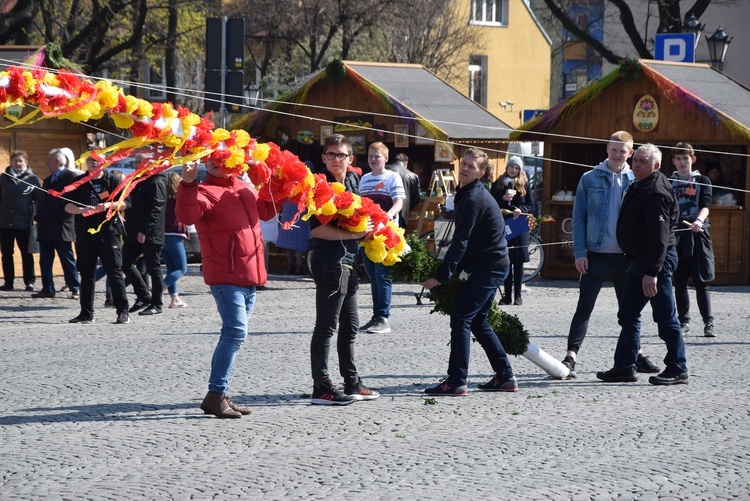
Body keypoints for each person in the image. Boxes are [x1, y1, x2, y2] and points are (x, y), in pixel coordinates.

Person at [176, 159, 277, 418]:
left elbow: (267, 211)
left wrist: (273, 181)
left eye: (223, 158)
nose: (218, 164)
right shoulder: (203, 190)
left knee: (235, 334)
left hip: (250, 275)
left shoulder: (244, 186)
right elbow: (186, 216)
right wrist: (188, 184)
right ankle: (215, 395)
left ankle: (219, 394)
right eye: (212, 160)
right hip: (226, 275)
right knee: (235, 333)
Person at [559, 131, 658, 377]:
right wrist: (579, 252)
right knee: (584, 307)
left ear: (630, 152)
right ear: (606, 148)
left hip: (626, 257)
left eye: (622, 151)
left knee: (629, 311)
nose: (617, 155)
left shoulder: (636, 180)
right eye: (613, 150)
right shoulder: (589, 178)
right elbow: (579, 217)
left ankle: (637, 354)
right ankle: (571, 355)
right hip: (595, 255)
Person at [419, 148, 517, 396]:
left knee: (461, 318)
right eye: (463, 163)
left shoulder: (474, 197)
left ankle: (456, 381)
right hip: (489, 264)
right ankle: (505, 376)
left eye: (471, 167)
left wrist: (441, 277)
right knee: (477, 321)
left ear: (481, 173)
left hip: (491, 266)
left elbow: (460, 241)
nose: (464, 168)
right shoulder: (466, 193)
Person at [597, 144, 688, 386]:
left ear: (655, 166)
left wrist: (652, 272)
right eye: (635, 160)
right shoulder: (642, 184)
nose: (636, 164)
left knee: (665, 317)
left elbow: (659, 237)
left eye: (642, 162)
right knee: (627, 314)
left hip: (655, 262)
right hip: (640, 261)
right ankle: (624, 367)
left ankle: (678, 367)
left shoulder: (655, 191)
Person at [309, 134, 379, 405]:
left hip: (349, 260)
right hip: (329, 262)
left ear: (351, 159)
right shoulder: (319, 185)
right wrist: (355, 236)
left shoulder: (352, 180)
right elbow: (316, 229)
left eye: (342, 155)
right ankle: (321, 387)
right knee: (326, 326)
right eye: (332, 155)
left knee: (350, 326)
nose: (337, 160)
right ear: (324, 158)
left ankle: (351, 381)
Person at [65, 156, 131, 324]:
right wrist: (82, 209)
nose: (94, 163)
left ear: (105, 162)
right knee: (87, 275)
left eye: (98, 160)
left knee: (114, 271)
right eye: (91, 160)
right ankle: (86, 313)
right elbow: (67, 205)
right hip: (85, 234)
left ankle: (122, 311)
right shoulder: (79, 181)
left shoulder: (113, 180)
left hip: (108, 233)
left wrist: (108, 206)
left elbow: (126, 203)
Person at [357, 142, 405, 334]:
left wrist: (388, 215)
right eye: (370, 155)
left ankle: (383, 317)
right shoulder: (364, 179)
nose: (373, 159)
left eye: (377, 156)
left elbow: (399, 201)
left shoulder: (393, 177)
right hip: (368, 233)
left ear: (386, 158)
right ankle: (376, 316)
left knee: (382, 275)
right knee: (372, 276)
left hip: (386, 233)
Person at [669, 142, 715, 337]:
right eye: (678, 159)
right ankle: (684, 322)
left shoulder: (702, 180)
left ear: (692, 159)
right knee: (679, 282)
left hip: (697, 234)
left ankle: (708, 323)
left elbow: (706, 204)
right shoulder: (668, 182)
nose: (681, 162)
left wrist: (698, 220)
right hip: (677, 236)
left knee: (701, 281)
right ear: (673, 161)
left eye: (685, 158)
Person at [122, 155, 168, 316]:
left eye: (139, 162)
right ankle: (143, 295)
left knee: (153, 268)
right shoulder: (139, 180)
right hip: (132, 231)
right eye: (135, 162)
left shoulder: (157, 181)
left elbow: (156, 208)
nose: (136, 165)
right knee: (125, 263)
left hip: (149, 233)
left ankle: (157, 304)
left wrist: (145, 230)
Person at [32, 149, 80, 299]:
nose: (46, 163)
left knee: (67, 259)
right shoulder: (48, 180)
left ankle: (75, 287)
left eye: (48, 160)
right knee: (45, 260)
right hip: (45, 227)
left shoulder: (71, 177)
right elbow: (43, 201)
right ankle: (48, 288)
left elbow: (72, 202)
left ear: (57, 162)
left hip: (61, 227)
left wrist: (60, 217)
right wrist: (38, 216)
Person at [490, 155, 535, 305]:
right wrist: (502, 198)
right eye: (511, 167)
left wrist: (520, 209)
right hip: (504, 224)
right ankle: (507, 296)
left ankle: (518, 296)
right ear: (507, 167)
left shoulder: (525, 184)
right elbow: (490, 203)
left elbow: (531, 205)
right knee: (506, 260)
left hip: (519, 225)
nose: (513, 170)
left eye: (516, 168)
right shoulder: (498, 183)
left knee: (519, 261)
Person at [0, 150, 41, 291]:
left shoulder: (32, 179)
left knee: (26, 253)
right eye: (15, 161)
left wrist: (32, 210)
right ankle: (8, 282)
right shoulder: (3, 178)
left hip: (24, 223)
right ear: (11, 162)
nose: (18, 163)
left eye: (20, 161)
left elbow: (39, 199)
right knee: (6, 254)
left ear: (26, 163)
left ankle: (29, 281)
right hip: (5, 223)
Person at [276, 161, 313, 276]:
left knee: (289, 242)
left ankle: (290, 266)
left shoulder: (290, 181)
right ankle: (299, 266)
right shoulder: (307, 184)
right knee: (298, 243)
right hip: (299, 214)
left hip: (287, 212)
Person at [162, 171, 189, 308]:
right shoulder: (180, 198)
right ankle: (161, 287)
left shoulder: (161, 197)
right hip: (174, 235)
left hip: (161, 236)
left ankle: (174, 299)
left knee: (171, 268)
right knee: (182, 268)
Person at [386, 153, 421, 229]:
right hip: (403, 212)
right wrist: (407, 206)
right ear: (406, 163)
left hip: (386, 208)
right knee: (399, 237)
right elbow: (417, 198)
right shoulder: (413, 175)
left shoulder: (385, 170)